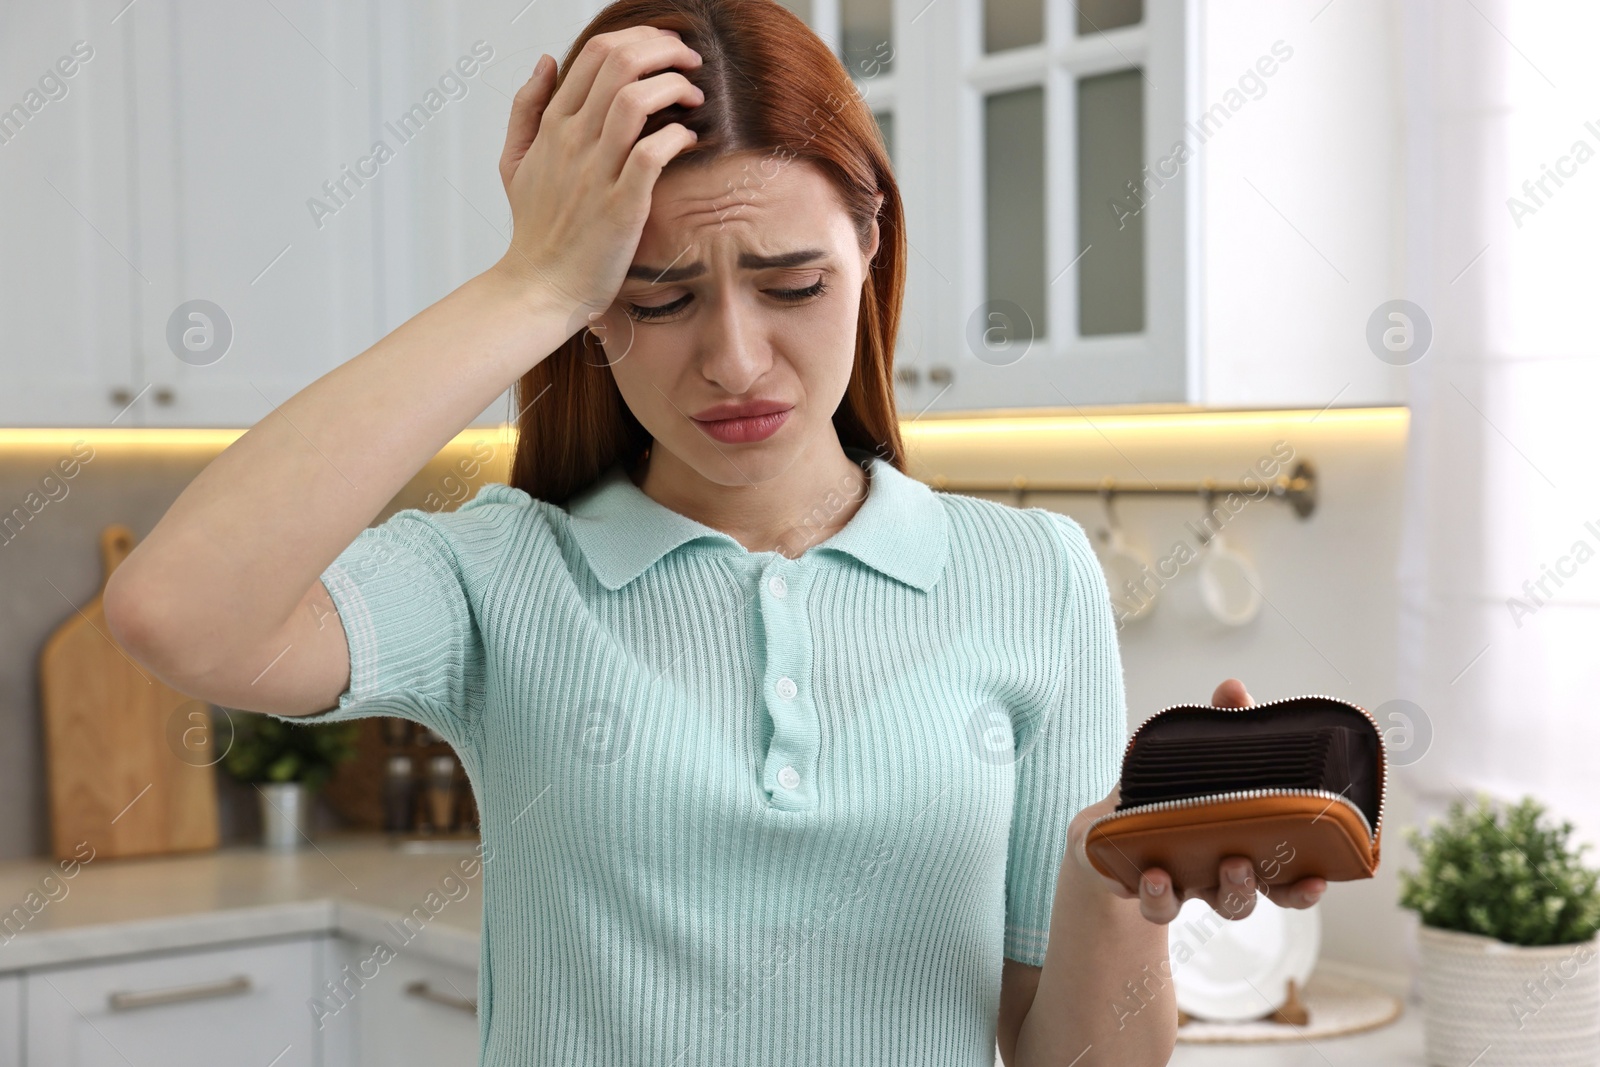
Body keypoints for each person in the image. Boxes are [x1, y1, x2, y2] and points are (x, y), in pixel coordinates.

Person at [104, 2, 1325, 1064]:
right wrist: (526, 284)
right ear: (590, 308)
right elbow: (179, 610)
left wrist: (1121, 883)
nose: (735, 359)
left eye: (792, 285)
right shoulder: (499, 571)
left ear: (870, 245)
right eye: (656, 296)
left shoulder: (1032, 576)